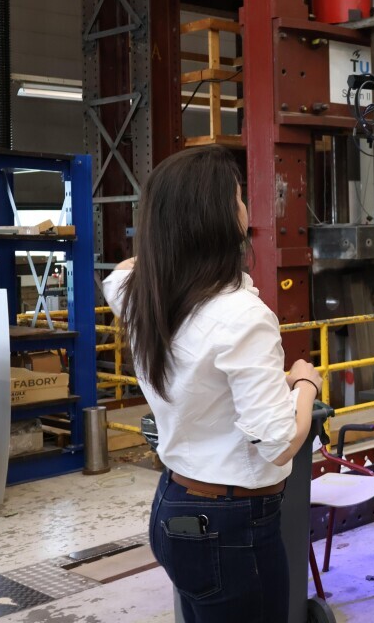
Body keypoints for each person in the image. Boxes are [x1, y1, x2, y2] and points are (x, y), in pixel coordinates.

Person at [103, 146, 324, 623]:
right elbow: (280, 443)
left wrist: (170, 239)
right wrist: (306, 384)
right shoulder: (242, 315)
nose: (246, 208)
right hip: (232, 527)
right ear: (219, 219)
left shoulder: (143, 294)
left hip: (174, 506)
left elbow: (121, 272)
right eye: (239, 198)